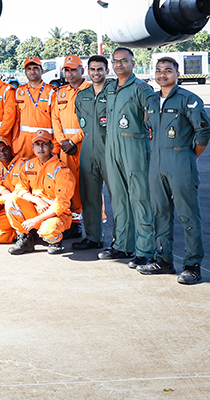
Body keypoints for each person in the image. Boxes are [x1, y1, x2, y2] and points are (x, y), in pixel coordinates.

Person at [137, 56, 210, 284]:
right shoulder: (150, 101)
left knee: (187, 214)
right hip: (156, 162)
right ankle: (164, 260)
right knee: (160, 212)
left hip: (180, 160)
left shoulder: (188, 100)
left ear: (177, 74)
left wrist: (190, 157)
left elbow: (204, 133)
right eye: (159, 70)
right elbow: (149, 128)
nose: (162, 74)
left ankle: (192, 264)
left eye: (168, 70)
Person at [100, 47, 156, 267]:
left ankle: (145, 250)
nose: (119, 64)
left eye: (124, 61)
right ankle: (122, 246)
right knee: (119, 199)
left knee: (140, 199)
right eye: (115, 61)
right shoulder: (111, 88)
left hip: (134, 147)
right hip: (112, 147)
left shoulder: (142, 88)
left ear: (133, 63)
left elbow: (151, 119)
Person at [5, 130, 75, 255]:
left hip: (56, 214)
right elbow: (19, 189)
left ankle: (54, 241)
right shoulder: (28, 165)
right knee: (11, 201)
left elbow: (61, 205)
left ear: (52, 146)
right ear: (32, 147)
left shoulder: (61, 170)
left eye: (44, 144)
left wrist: (36, 220)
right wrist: (36, 200)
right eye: (37, 144)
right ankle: (25, 238)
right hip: (36, 208)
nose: (40, 148)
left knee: (48, 230)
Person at [72, 56, 109, 251]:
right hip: (88, 148)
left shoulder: (114, 92)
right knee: (89, 195)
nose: (96, 73)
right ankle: (93, 237)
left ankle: (121, 242)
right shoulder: (82, 96)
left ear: (107, 71)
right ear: (88, 71)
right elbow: (82, 122)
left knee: (119, 197)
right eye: (93, 69)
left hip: (109, 148)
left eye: (100, 69)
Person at [51, 55, 90, 240]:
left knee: (88, 186)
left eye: (73, 69)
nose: (70, 73)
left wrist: (74, 141)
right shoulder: (60, 92)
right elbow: (55, 120)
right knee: (69, 185)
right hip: (65, 148)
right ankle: (73, 224)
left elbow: (91, 121)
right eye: (67, 70)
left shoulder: (90, 90)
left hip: (85, 145)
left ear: (82, 70)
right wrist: (62, 142)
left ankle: (91, 225)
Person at [12, 56, 56, 158]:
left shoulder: (51, 92)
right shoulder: (19, 91)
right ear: (25, 72)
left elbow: (56, 120)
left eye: (36, 68)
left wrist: (55, 146)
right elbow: (15, 120)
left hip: (44, 144)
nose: (32, 71)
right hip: (23, 145)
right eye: (29, 69)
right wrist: (15, 142)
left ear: (42, 70)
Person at [0, 135, 23, 245]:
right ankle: (16, 233)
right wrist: (2, 190)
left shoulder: (22, 164)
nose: (2, 153)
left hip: (20, 206)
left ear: (11, 149)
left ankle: (25, 233)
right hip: (5, 207)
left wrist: (2, 198)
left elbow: (25, 190)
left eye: (5, 149)